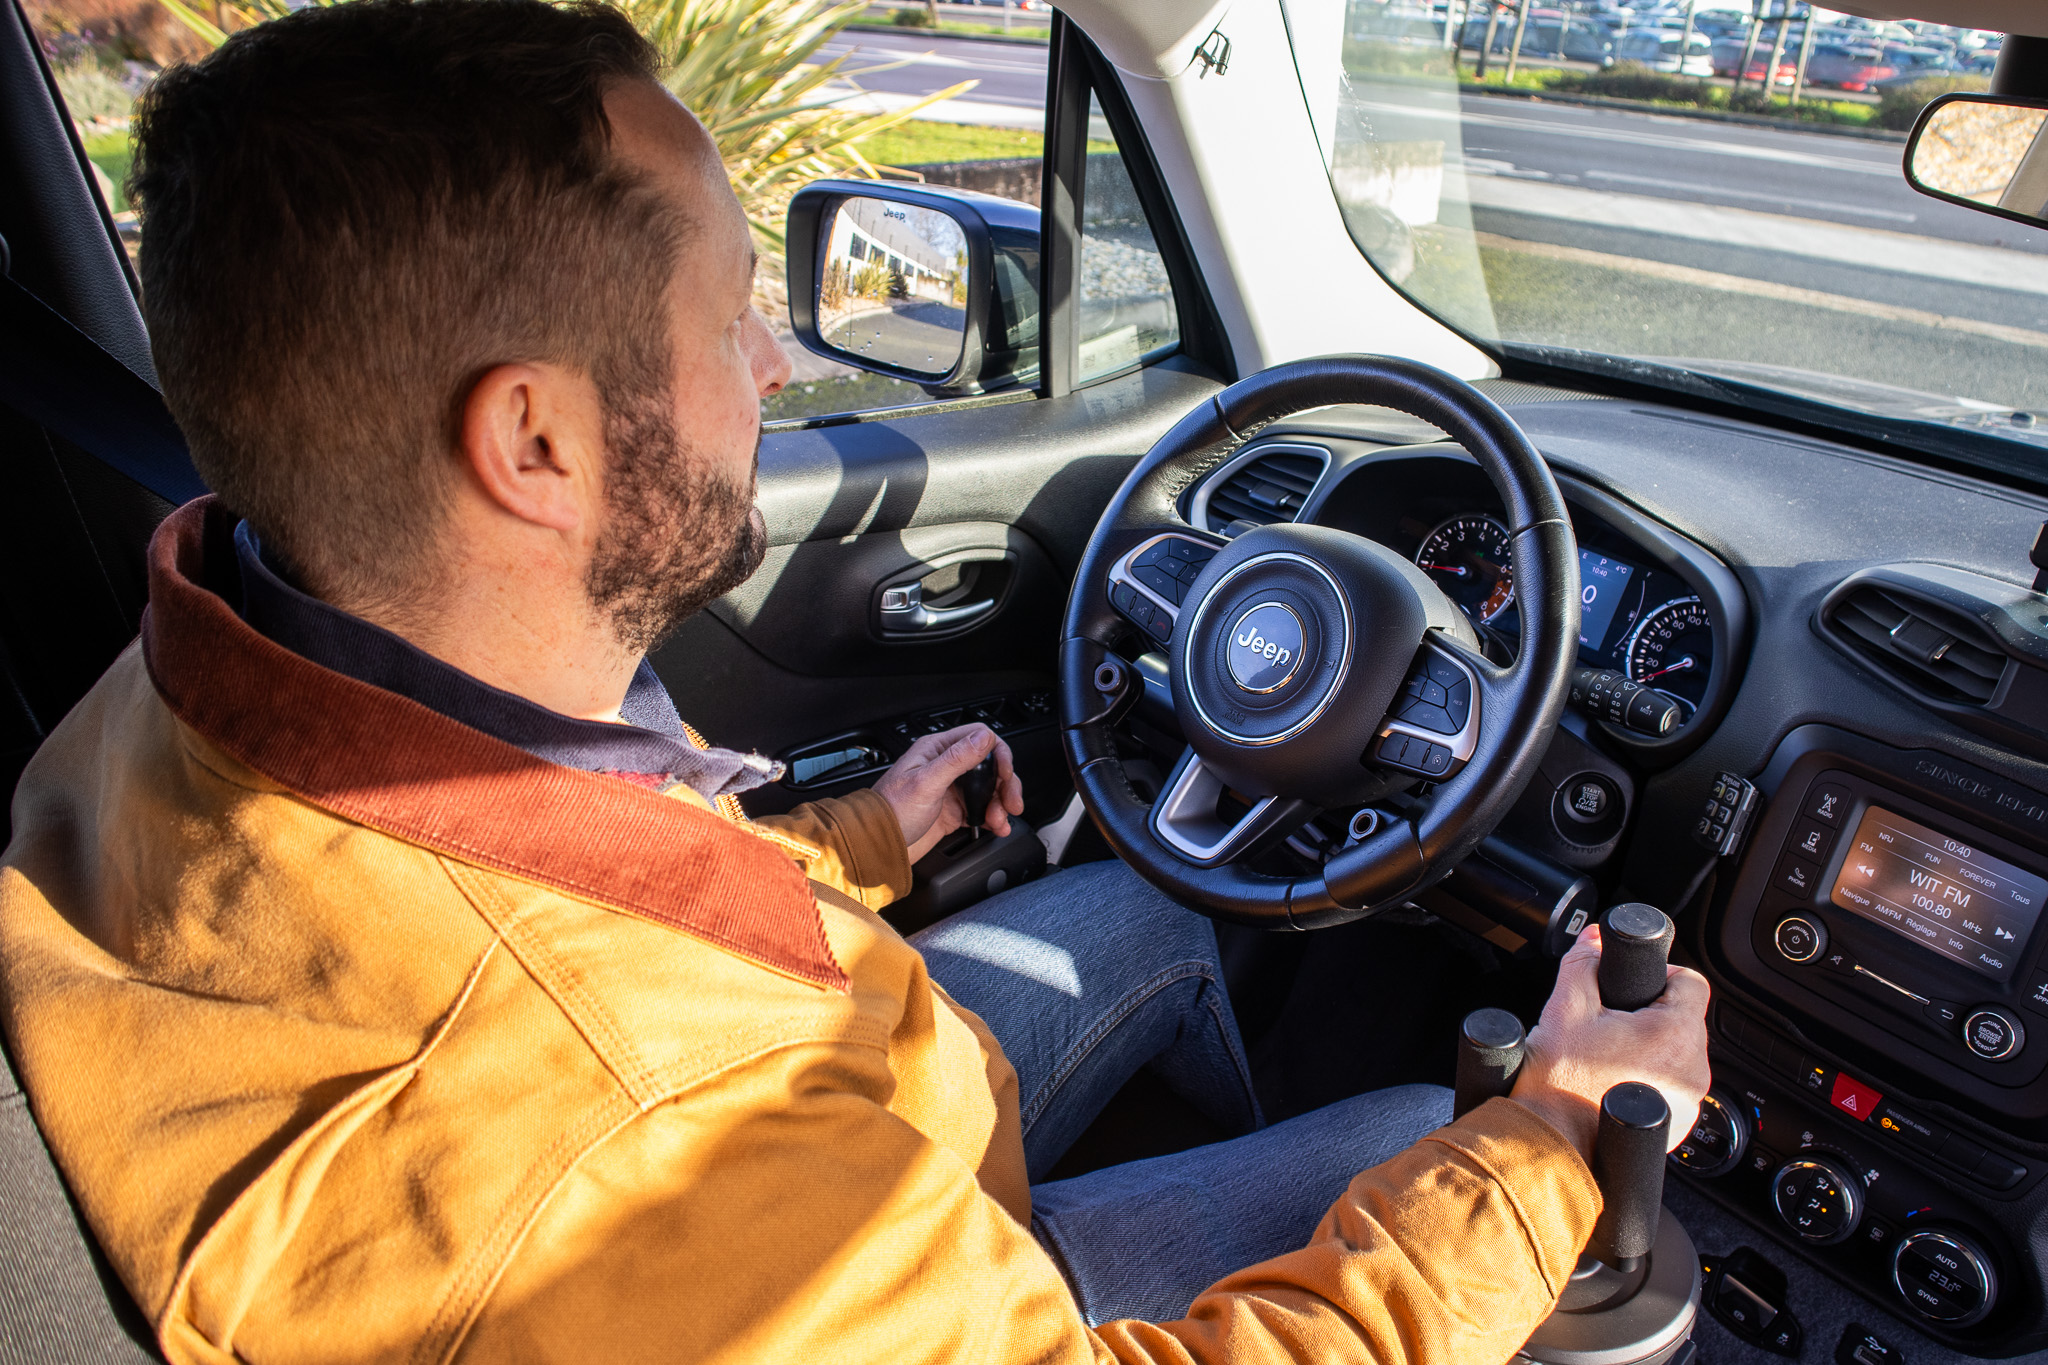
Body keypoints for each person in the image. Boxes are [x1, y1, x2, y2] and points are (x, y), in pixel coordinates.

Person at [0, 2, 1712, 1361]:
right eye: (736, 308)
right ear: (534, 440)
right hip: (894, 1277)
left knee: (1157, 905)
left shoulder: (189, 673)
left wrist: (860, 840)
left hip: (844, 1167)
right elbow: (622, 1068)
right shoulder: (633, 1131)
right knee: (1436, 1118)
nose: (776, 357)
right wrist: (1551, 1144)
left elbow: (572, 899)